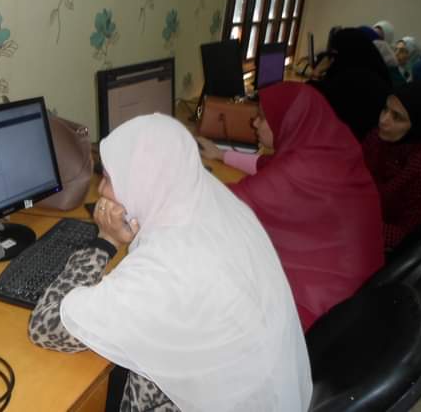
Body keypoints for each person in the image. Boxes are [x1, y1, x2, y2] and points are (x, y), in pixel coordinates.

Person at [28, 114, 312, 412]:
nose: (100, 191)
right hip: (257, 390)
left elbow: (46, 327)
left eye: (110, 179)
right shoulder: (214, 201)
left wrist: (105, 241)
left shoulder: (164, 268)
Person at [199, 82, 384, 332]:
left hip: (321, 313)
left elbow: (228, 203)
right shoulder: (333, 146)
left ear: (287, 121)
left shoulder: (299, 170)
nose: (255, 123)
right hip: (356, 293)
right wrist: (221, 155)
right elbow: (268, 164)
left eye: (262, 118)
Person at [362, 82, 421, 250]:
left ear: (418, 125)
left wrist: (355, 223)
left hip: (379, 242)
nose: (383, 120)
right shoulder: (379, 137)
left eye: (397, 117)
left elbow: (408, 235)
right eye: (385, 109)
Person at [309, 27, 392, 141]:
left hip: (346, 143)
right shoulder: (374, 72)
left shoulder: (352, 80)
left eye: (335, 53)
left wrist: (316, 73)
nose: (332, 58)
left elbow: (309, 99)